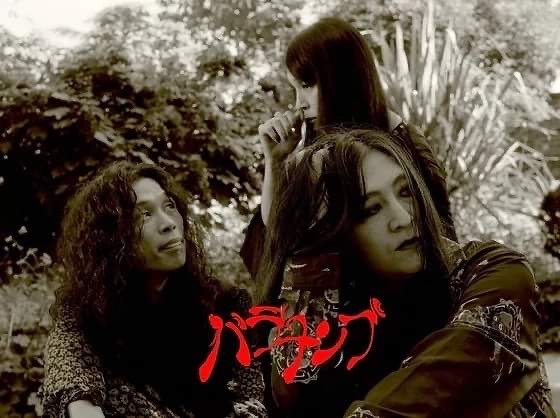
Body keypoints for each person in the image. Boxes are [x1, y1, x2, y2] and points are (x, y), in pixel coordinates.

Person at [256, 128, 555, 417]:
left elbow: (436, 392)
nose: (402, 218)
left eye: (406, 192)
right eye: (371, 209)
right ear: (335, 233)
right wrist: (309, 253)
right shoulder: (346, 318)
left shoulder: (495, 273)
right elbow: (294, 399)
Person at [39, 161, 267, 418]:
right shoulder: (84, 311)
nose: (169, 223)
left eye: (169, 206)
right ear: (111, 238)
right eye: (144, 215)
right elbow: (73, 382)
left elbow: (250, 397)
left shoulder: (227, 304)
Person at [241, 15, 455, 286]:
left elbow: (442, 234)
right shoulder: (318, 150)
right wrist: (275, 161)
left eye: (306, 86)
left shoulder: (404, 143)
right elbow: (279, 232)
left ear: (340, 77)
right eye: (295, 89)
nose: (298, 104)